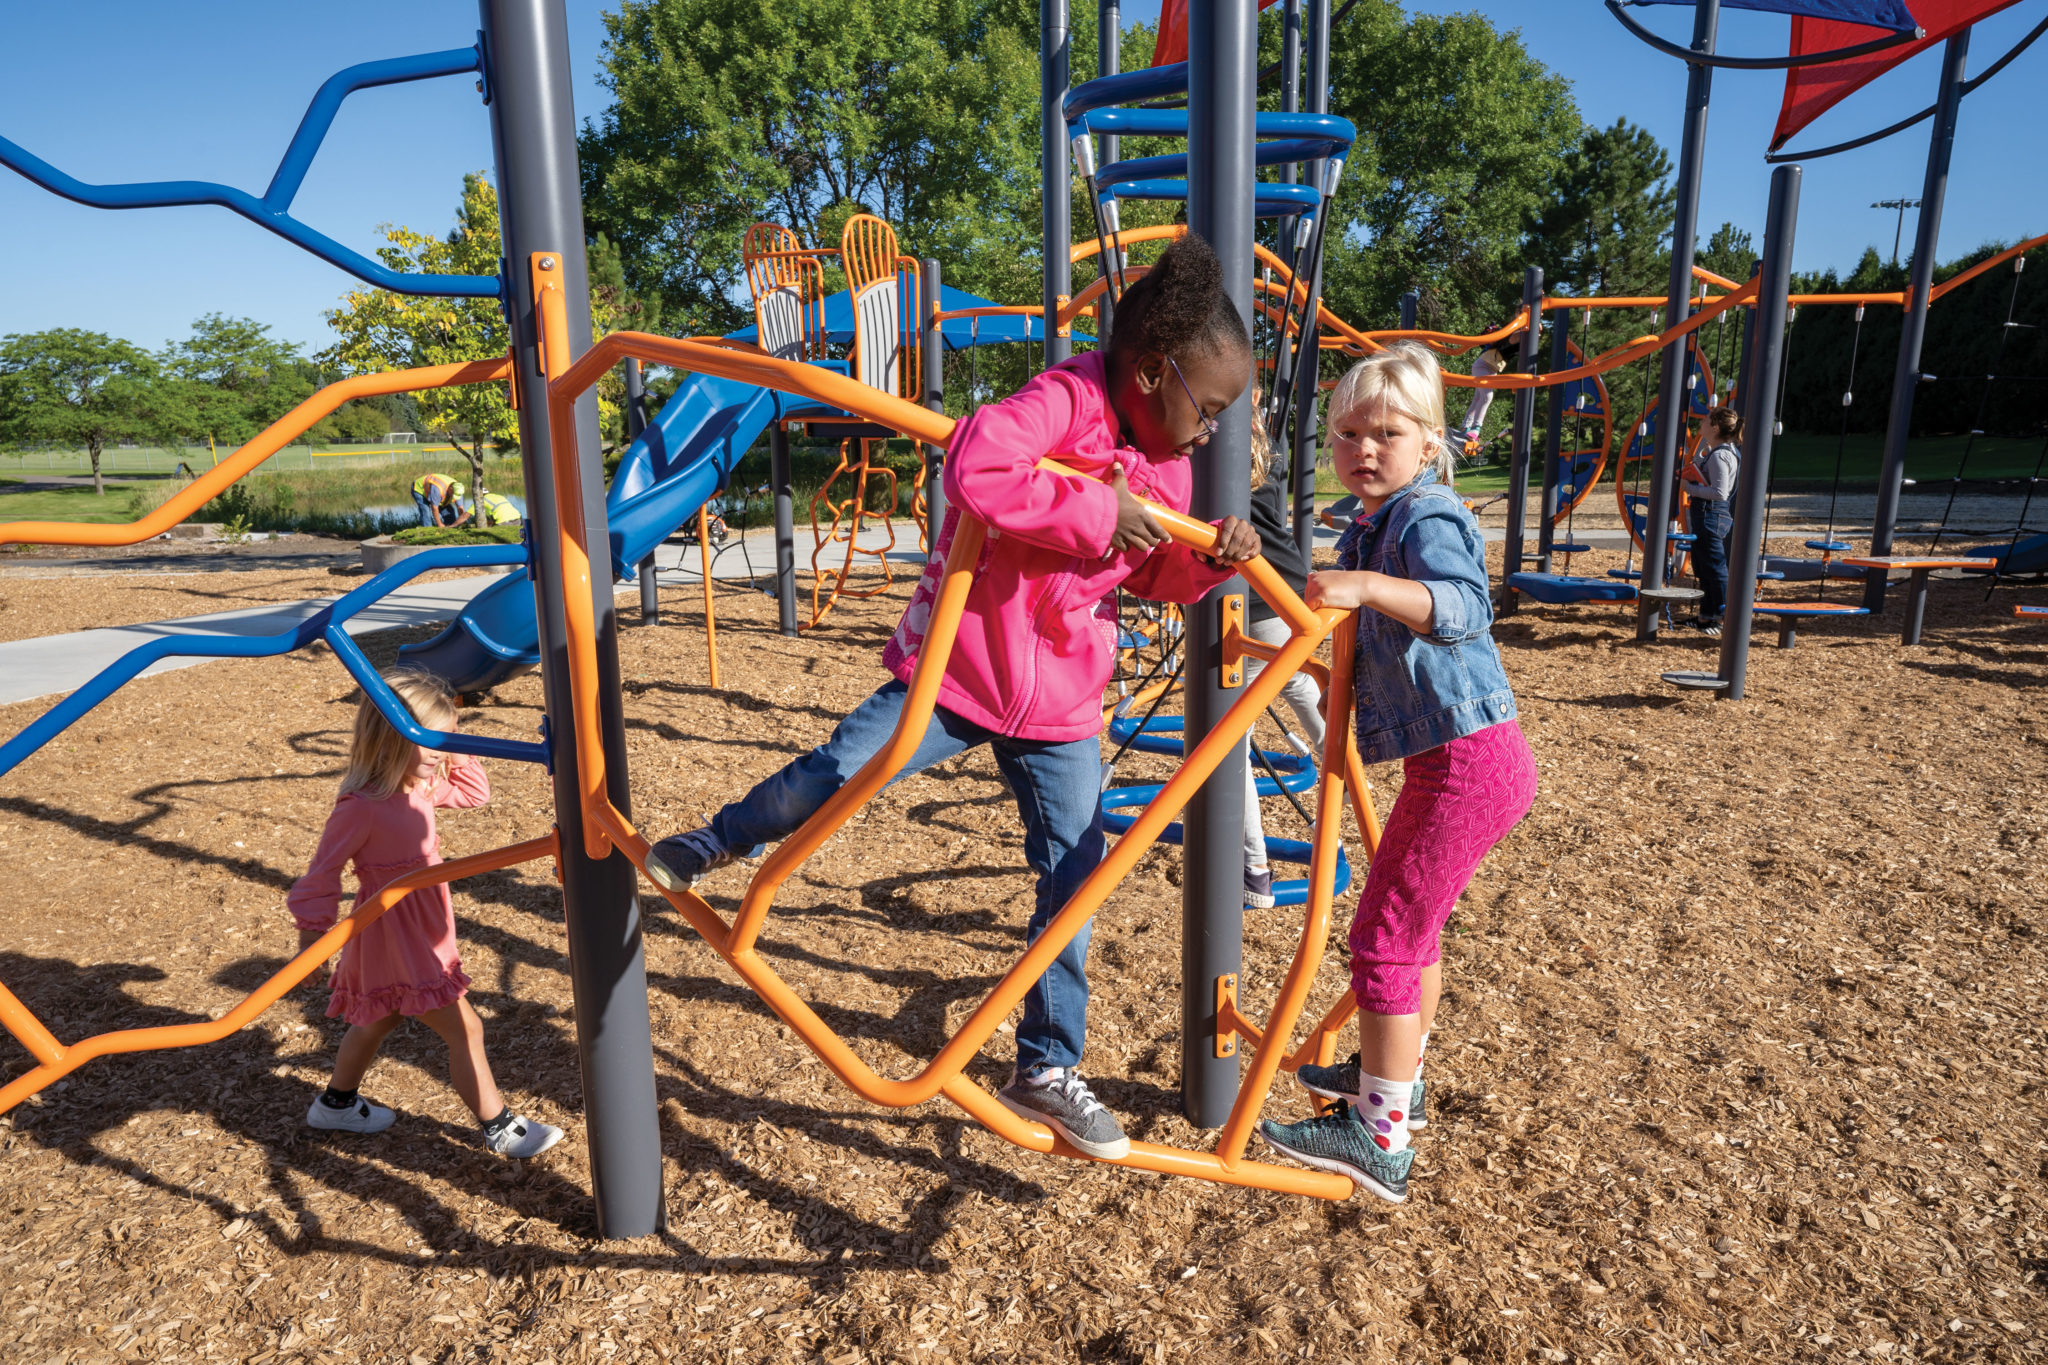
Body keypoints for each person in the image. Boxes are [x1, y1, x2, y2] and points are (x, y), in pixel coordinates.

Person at [643, 234, 1261, 1161]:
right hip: (962, 669)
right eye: (1205, 407)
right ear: (1150, 371)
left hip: (1059, 702)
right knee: (840, 768)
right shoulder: (1068, 399)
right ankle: (719, 836)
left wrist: (1205, 561)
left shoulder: (1167, 473)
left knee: (1076, 874)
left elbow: (1154, 576)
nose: (1209, 430)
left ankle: (1046, 1064)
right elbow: (976, 465)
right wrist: (1097, 509)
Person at [1258, 342, 1537, 1204]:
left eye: (1387, 432)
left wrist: (1372, 587)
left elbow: (1462, 607)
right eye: (1347, 433)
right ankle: (1399, 1085)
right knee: (1415, 936)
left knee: (1380, 937)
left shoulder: (1426, 515)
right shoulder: (1370, 521)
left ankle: (1380, 1139)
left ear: (1431, 442)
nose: (1365, 449)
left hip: (1466, 758)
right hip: (1457, 757)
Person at [289, 667, 563, 1159]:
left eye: (444, 737)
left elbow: (475, 792)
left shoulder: (420, 788)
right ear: (389, 738)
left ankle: (336, 1104)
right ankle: (498, 1125)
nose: (437, 750)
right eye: (427, 738)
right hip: (396, 929)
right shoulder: (363, 806)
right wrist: (312, 939)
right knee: (467, 1027)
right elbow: (321, 873)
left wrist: (450, 741)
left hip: (419, 922)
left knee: (380, 1020)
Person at [1239, 400, 1325, 910]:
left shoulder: (1215, 462)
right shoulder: (1269, 456)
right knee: (1296, 682)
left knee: (1228, 740)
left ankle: (1254, 870)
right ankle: (1349, 775)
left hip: (1249, 600)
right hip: (1290, 592)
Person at [1682, 406, 1742, 638]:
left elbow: (1719, 492)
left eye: (1707, 419)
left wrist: (1688, 488)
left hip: (1711, 515)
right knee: (1705, 566)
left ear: (1715, 427)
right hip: (1710, 516)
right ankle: (1706, 616)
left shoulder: (1721, 455)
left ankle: (1721, 617)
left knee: (1714, 568)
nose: (1702, 421)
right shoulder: (1721, 451)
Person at [1453, 324, 1526, 459]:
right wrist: (1530, 328)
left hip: (1491, 370)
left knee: (1478, 398)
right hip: (1482, 366)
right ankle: (1476, 428)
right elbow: (1515, 337)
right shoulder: (1507, 338)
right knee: (1487, 396)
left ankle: (1465, 427)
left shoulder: (1516, 344)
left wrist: (1536, 332)